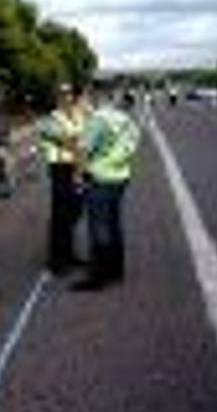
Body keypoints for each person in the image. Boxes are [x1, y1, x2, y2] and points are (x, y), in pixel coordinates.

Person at [73, 89, 141, 291]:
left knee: (99, 228)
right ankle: (116, 270)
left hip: (100, 178)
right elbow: (132, 146)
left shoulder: (98, 119)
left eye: (84, 99)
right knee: (114, 224)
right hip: (121, 176)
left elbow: (83, 150)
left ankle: (97, 278)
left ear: (96, 98)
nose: (83, 105)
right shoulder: (126, 120)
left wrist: (78, 176)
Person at [37, 83, 88, 276]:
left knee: (74, 213)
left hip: (77, 167)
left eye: (69, 94)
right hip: (61, 169)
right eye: (62, 94)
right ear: (56, 98)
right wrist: (79, 149)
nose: (67, 97)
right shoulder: (51, 119)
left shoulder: (77, 116)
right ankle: (56, 262)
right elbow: (71, 142)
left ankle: (69, 254)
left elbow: (83, 139)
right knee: (60, 216)